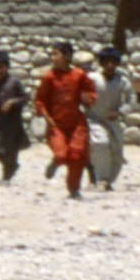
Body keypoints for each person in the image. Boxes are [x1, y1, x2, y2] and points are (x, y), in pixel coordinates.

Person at [34, 41, 97, 199]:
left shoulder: (79, 75)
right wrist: (46, 116)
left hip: (76, 123)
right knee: (62, 154)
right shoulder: (49, 77)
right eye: (52, 54)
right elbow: (40, 100)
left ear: (67, 56)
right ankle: (56, 162)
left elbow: (90, 92)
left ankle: (74, 189)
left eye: (56, 54)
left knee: (77, 156)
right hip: (57, 124)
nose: (52, 58)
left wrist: (88, 98)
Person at [84, 46, 134, 190]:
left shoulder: (122, 80)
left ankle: (109, 181)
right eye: (107, 62)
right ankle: (101, 178)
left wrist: (121, 112)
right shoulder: (92, 78)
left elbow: (131, 98)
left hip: (113, 120)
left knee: (117, 152)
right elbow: (82, 92)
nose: (110, 65)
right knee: (100, 143)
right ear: (102, 63)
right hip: (95, 118)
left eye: (113, 62)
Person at [0, 51, 31, 184]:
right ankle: (11, 166)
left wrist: (12, 102)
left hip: (13, 122)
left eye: (1, 67)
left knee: (10, 149)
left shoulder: (14, 82)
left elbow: (25, 98)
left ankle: (6, 177)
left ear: (7, 66)